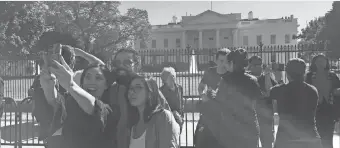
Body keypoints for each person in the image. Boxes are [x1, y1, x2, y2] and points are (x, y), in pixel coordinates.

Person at [40, 57, 116, 148]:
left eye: (98, 78)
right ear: (82, 82)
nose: (92, 82)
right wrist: (48, 86)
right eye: (87, 77)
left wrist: (70, 85)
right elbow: (56, 102)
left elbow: (94, 107)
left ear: (106, 85)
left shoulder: (109, 110)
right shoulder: (72, 101)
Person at [198, 48, 265, 148]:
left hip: (231, 130)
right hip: (250, 128)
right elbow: (259, 102)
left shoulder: (225, 81)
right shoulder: (252, 80)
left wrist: (212, 95)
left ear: (233, 63)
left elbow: (220, 103)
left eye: (228, 62)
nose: (226, 64)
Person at [110, 47, 170, 148]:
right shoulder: (112, 89)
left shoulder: (148, 89)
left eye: (127, 63)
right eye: (117, 63)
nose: (121, 66)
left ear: (137, 65)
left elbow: (168, 120)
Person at [271, 58, 321, 148]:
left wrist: (278, 80)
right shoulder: (312, 90)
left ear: (287, 73)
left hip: (285, 137)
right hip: (309, 135)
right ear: (303, 72)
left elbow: (270, 97)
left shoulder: (278, 90)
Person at [126, 74, 180, 148]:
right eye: (130, 88)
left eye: (138, 87)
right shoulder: (132, 126)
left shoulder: (163, 117)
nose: (131, 92)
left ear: (150, 92)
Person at [194, 48, 230, 147]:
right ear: (216, 61)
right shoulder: (210, 71)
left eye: (226, 61)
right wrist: (202, 95)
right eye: (221, 61)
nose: (224, 64)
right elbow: (201, 87)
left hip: (224, 116)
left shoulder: (230, 75)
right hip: (208, 113)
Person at [305, 54, 340, 148]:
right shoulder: (309, 76)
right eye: (319, 61)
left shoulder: (332, 76)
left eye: (323, 61)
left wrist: (336, 91)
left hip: (329, 108)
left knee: (328, 136)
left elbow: (337, 89)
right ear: (314, 63)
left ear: (327, 63)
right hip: (315, 109)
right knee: (315, 136)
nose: (321, 63)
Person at [248, 55, 277, 148]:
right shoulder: (247, 78)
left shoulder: (267, 77)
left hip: (266, 117)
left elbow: (272, 92)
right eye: (255, 64)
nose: (258, 67)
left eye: (260, 64)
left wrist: (268, 76)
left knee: (267, 143)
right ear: (250, 66)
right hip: (251, 116)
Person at [160, 67, 184, 133]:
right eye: (170, 77)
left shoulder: (179, 88)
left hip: (179, 119)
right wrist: (172, 113)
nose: (173, 78)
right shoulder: (161, 91)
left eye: (174, 76)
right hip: (168, 120)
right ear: (165, 79)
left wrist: (182, 117)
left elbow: (181, 103)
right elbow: (161, 107)